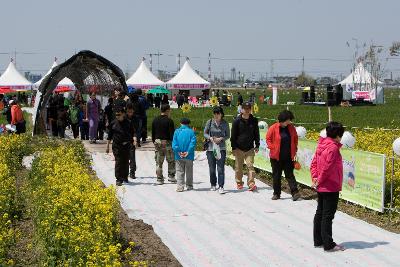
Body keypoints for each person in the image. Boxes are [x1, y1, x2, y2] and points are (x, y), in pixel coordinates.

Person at [311, 121, 345, 252]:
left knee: (320, 212)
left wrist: (315, 178)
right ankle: (328, 244)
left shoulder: (321, 144)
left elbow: (314, 163)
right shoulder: (333, 148)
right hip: (330, 185)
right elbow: (327, 168)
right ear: (337, 135)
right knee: (327, 215)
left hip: (321, 185)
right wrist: (319, 180)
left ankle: (318, 240)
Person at [266, 110, 301, 201]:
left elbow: (295, 139)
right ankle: (276, 194)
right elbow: (268, 139)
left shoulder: (291, 128)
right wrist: (272, 147)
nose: (289, 122)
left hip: (288, 156)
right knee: (276, 175)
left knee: (290, 175)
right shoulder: (273, 127)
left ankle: (295, 193)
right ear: (283, 120)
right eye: (288, 120)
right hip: (276, 157)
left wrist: (295, 149)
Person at [230, 101, 260, 191]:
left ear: (250, 110)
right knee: (238, 167)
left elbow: (256, 133)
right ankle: (239, 183)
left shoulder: (254, 121)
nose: (247, 110)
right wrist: (233, 148)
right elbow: (233, 136)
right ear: (241, 109)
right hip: (239, 148)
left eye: (248, 109)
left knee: (250, 166)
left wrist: (257, 144)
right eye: (245, 109)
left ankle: (251, 183)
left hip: (250, 148)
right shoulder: (236, 121)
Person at [204, 106, 230, 194]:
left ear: (221, 114)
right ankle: (213, 184)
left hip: (221, 148)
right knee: (212, 168)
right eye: (215, 114)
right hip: (211, 148)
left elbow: (228, 135)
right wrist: (210, 138)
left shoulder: (225, 123)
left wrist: (221, 138)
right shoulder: (209, 122)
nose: (216, 115)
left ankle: (221, 186)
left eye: (218, 114)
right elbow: (205, 133)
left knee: (220, 168)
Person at [106, 106, 135, 186]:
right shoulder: (113, 123)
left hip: (126, 145)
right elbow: (110, 135)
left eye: (119, 115)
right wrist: (107, 146)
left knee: (125, 161)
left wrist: (133, 142)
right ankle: (118, 179)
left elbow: (132, 133)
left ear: (123, 114)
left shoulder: (128, 123)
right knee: (118, 161)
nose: (117, 116)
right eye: (116, 115)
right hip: (116, 146)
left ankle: (125, 176)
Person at [151, 104, 176, 185]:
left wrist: (154, 142)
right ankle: (171, 176)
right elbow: (172, 134)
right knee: (171, 160)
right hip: (168, 142)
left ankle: (159, 178)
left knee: (158, 162)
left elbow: (153, 134)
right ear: (167, 110)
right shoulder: (169, 121)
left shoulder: (155, 120)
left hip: (158, 143)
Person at [172, 118, 197, 192]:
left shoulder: (177, 131)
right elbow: (193, 143)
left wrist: (178, 151)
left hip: (178, 155)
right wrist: (188, 152)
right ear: (188, 124)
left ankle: (180, 186)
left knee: (179, 171)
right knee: (189, 171)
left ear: (180, 123)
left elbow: (174, 143)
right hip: (189, 155)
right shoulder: (191, 132)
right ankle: (189, 185)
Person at [126, 103, 139, 179]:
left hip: (132, 139)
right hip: (124, 139)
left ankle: (132, 172)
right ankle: (125, 172)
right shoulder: (123, 118)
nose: (130, 113)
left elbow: (136, 130)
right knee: (125, 157)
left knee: (132, 156)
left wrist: (135, 138)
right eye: (128, 112)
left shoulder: (135, 118)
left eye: (131, 111)